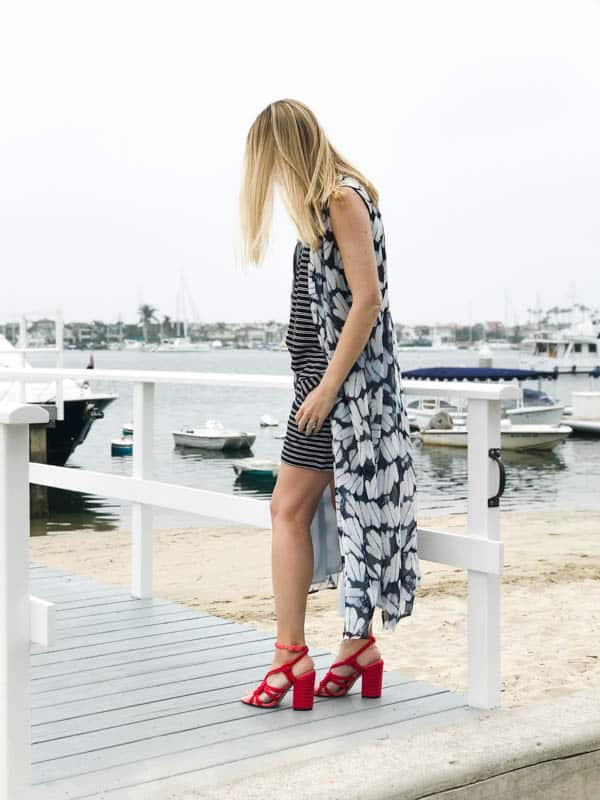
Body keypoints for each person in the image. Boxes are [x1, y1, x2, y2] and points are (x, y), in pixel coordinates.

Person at [237, 99, 420, 710]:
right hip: (325, 389)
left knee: (286, 509)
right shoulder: (330, 203)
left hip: (334, 395)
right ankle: (356, 647)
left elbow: (367, 301)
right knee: (349, 513)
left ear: (284, 152)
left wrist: (325, 388)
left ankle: (290, 655)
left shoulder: (340, 200)